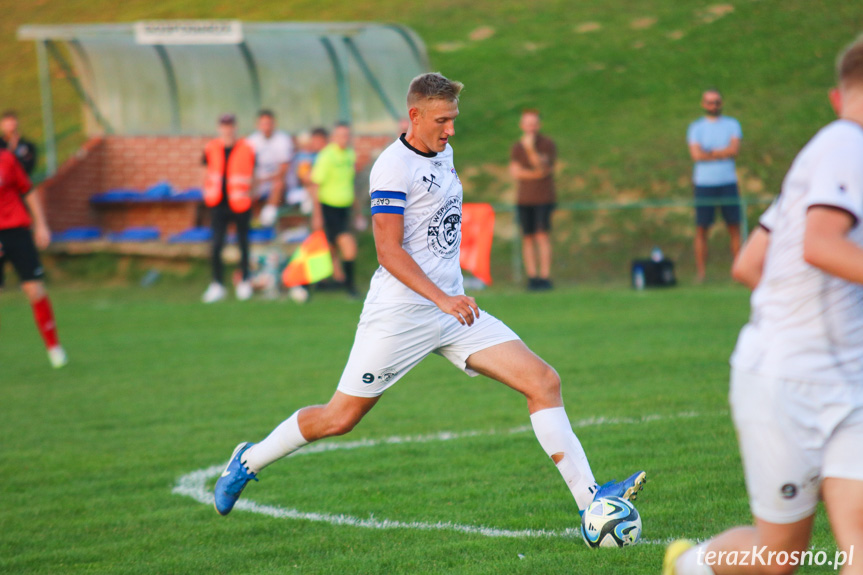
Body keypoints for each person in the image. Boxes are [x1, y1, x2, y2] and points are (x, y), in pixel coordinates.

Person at [213, 72, 646, 521]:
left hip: (453, 310)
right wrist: (442, 298)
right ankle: (248, 459)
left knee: (543, 381)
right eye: (442, 120)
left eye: (454, 119)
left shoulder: (443, 151)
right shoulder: (391, 167)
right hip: (401, 315)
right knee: (338, 418)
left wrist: (447, 298)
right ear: (414, 116)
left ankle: (591, 502)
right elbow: (387, 251)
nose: (451, 129)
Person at [665, 36, 863, 575]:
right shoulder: (848, 146)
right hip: (788, 383)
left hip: (843, 383)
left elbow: (750, 264)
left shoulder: (822, 155)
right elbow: (820, 246)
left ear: (834, 95)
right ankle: (690, 567)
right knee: (778, 557)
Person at [0, 148, 67, 368]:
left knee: (35, 289)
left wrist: (41, 225)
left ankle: (54, 347)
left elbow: (28, 190)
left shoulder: (7, 159)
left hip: (17, 231)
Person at [687, 90, 743, 283]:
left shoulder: (732, 124)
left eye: (717, 102)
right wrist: (721, 152)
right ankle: (701, 274)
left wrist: (708, 153)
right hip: (704, 183)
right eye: (710, 102)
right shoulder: (696, 128)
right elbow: (696, 155)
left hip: (727, 181)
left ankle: (738, 270)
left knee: (734, 227)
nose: (713, 106)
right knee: (702, 228)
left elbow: (734, 150)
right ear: (703, 104)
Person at [201, 114, 256, 303]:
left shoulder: (246, 148)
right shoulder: (211, 147)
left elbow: (252, 174)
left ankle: (245, 281)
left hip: (240, 202)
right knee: (216, 244)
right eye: (224, 125)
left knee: (243, 244)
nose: (227, 129)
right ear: (219, 127)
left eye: (230, 125)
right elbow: (205, 171)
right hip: (218, 202)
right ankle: (217, 284)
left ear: (235, 127)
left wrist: (250, 195)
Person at [309, 122, 360, 297]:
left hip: (344, 208)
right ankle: (350, 286)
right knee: (347, 244)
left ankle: (332, 281)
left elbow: (350, 183)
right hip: (328, 207)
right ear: (334, 137)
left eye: (347, 135)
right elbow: (315, 184)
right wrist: (317, 214)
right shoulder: (326, 156)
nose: (344, 139)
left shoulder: (349, 155)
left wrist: (357, 211)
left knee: (332, 246)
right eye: (341, 135)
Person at [509, 109, 557, 290]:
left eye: (534, 123)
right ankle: (532, 277)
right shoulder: (516, 146)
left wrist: (530, 149)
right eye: (527, 123)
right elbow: (516, 172)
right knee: (527, 237)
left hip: (543, 197)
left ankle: (545, 277)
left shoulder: (546, 144)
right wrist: (535, 174)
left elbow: (543, 167)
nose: (531, 127)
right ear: (522, 125)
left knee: (542, 236)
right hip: (524, 199)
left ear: (539, 125)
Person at [246, 109, 292, 228]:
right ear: (257, 125)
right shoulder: (251, 141)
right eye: (263, 123)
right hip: (258, 181)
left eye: (269, 123)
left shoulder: (283, 140)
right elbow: (246, 166)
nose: (266, 127)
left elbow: (284, 169)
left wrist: (264, 179)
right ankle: (250, 221)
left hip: (277, 182)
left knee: (278, 183)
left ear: (274, 124)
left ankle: (267, 218)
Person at [0, 110, 37, 176]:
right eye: (8, 124)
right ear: (2, 125)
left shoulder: (27, 146)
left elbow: (28, 167)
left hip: (20, 182)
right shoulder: (1, 145)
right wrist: (11, 149)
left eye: (12, 123)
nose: (11, 126)